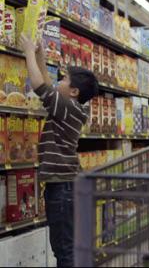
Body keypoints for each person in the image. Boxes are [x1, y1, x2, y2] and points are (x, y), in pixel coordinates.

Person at [19, 33, 99, 267]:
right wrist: (40, 56)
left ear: (73, 91)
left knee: (64, 250)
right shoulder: (72, 107)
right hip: (66, 186)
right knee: (67, 247)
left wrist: (26, 53)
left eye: (64, 79)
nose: (59, 82)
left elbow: (39, 85)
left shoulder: (67, 108)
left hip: (62, 189)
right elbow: (48, 83)